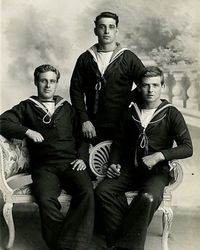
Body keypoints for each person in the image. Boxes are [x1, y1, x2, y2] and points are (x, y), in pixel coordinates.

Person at [94, 66, 193, 250]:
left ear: (162, 86)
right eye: (146, 85)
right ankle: (122, 239)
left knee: (148, 197)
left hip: (157, 172)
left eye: (155, 85)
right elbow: (119, 141)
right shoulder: (131, 111)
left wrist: (159, 156)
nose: (150, 90)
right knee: (102, 192)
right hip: (130, 169)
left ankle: (123, 246)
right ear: (139, 87)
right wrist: (114, 163)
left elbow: (187, 147)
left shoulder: (171, 113)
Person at [0, 64, 94, 250]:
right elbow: (2, 122)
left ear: (57, 83)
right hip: (44, 167)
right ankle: (61, 245)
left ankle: (72, 243)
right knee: (45, 199)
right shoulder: (26, 107)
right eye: (43, 81)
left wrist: (82, 158)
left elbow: (83, 137)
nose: (48, 85)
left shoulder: (67, 108)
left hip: (71, 164)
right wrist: (27, 131)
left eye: (52, 81)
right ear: (36, 82)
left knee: (87, 193)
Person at [70, 11, 145, 144]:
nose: (106, 31)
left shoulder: (128, 57)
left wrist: (128, 103)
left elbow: (146, 84)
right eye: (102, 27)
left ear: (116, 30)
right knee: (93, 161)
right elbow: (76, 91)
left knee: (121, 163)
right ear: (95, 31)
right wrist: (84, 120)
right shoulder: (85, 58)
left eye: (111, 27)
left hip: (123, 124)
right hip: (92, 125)